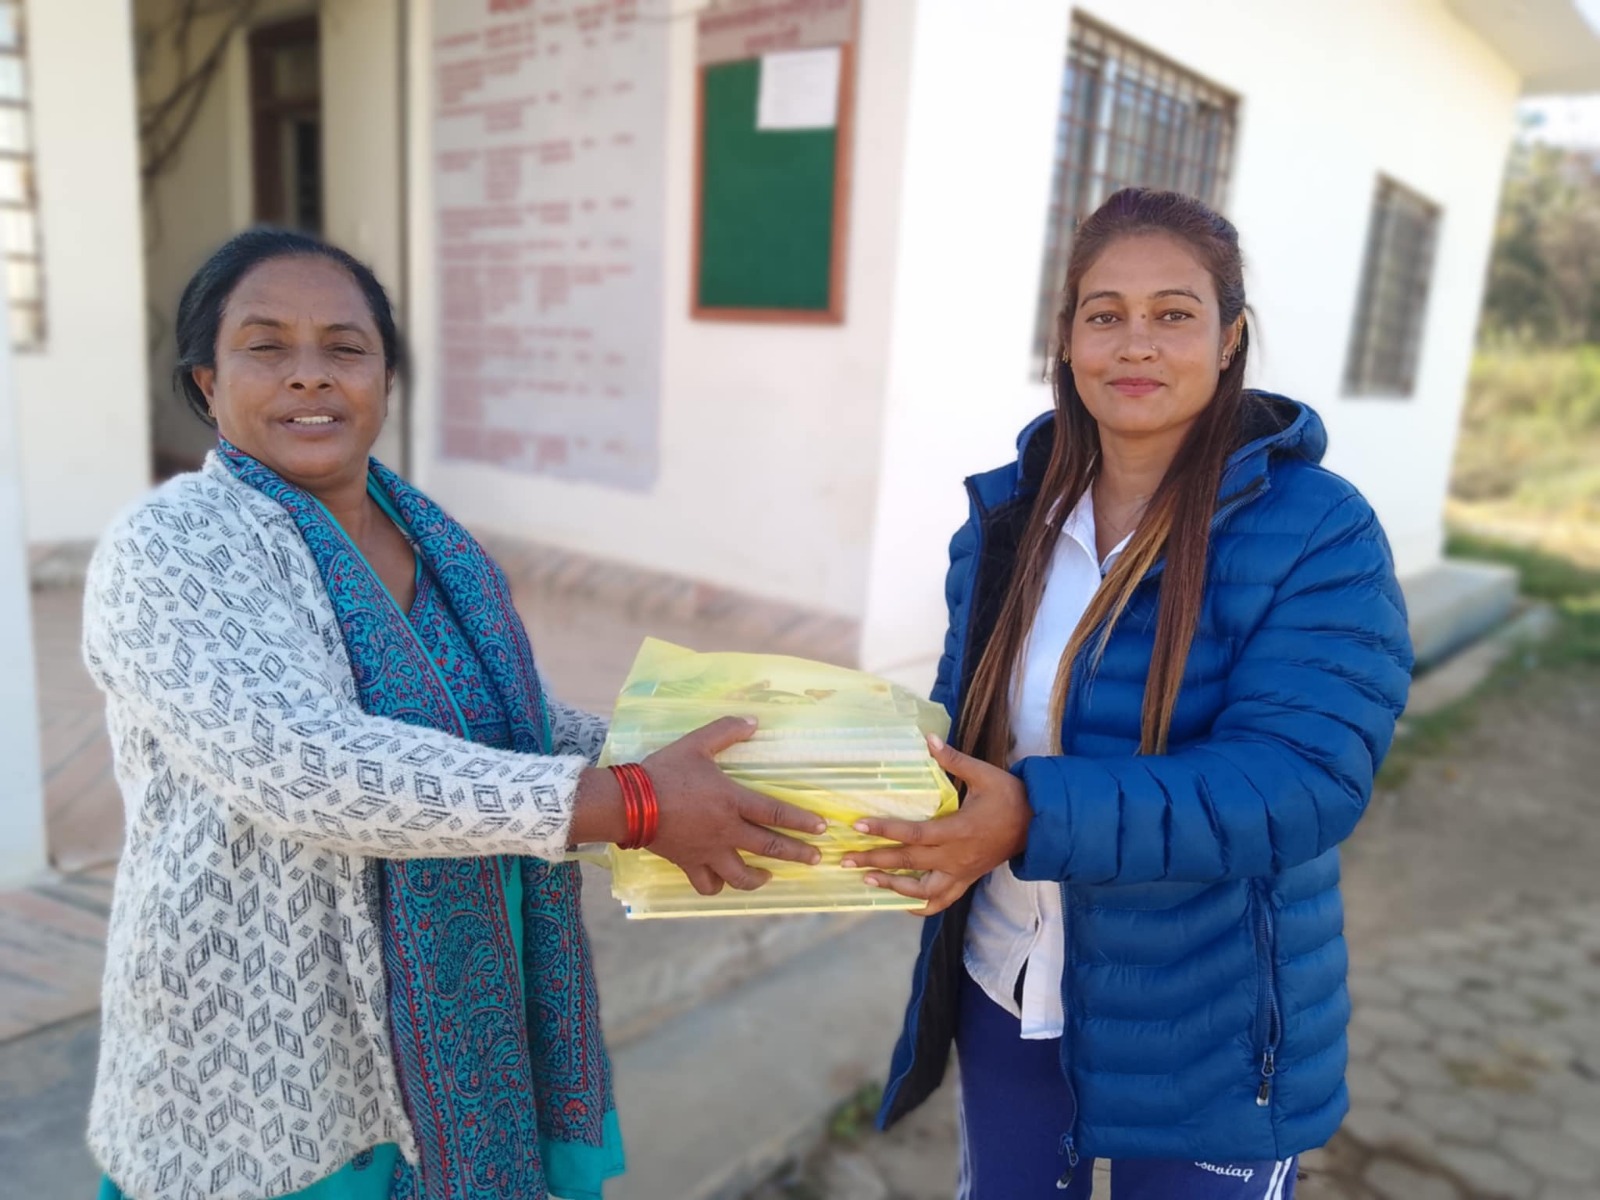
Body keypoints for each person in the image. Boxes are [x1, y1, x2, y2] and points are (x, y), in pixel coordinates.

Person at [82, 229, 827, 1200]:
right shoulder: (170, 544)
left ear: (386, 379)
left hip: (462, 1016)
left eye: (345, 348)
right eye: (266, 347)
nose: (310, 375)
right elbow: (304, 766)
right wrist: (633, 803)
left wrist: (712, 765)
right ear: (208, 383)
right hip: (272, 1068)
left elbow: (513, 732)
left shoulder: (433, 545)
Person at [844, 188, 1414, 1198]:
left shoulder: (1319, 530)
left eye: (1173, 313)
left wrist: (1029, 817)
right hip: (1007, 978)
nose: (1135, 343)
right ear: (1066, 340)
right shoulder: (1008, 520)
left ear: (1230, 339)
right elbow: (959, 733)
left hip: (1211, 1021)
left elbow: (1302, 780)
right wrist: (866, 809)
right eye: (1104, 314)